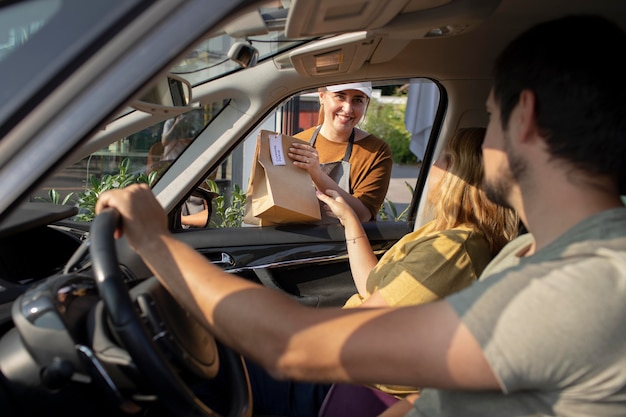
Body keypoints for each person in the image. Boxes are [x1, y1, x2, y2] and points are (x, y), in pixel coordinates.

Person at [96, 14, 626, 417]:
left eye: (489, 117)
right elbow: (434, 398)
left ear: (525, 116)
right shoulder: (530, 254)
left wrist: (152, 240)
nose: (482, 137)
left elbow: (290, 346)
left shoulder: (587, 285)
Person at [247, 127, 519, 417]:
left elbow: (366, 325)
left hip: (355, 385)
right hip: (352, 369)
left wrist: (278, 331)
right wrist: (350, 220)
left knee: (236, 364)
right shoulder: (444, 231)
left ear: (457, 172)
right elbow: (371, 286)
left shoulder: (453, 249)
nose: (435, 165)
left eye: (444, 157)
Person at [288, 82, 393, 222]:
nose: (348, 108)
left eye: (358, 100)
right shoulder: (295, 144)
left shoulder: (376, 151)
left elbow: (364, 215)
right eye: (339, 96)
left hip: (348, 242)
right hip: (300, 241)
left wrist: (317, 175)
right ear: (321, 96)